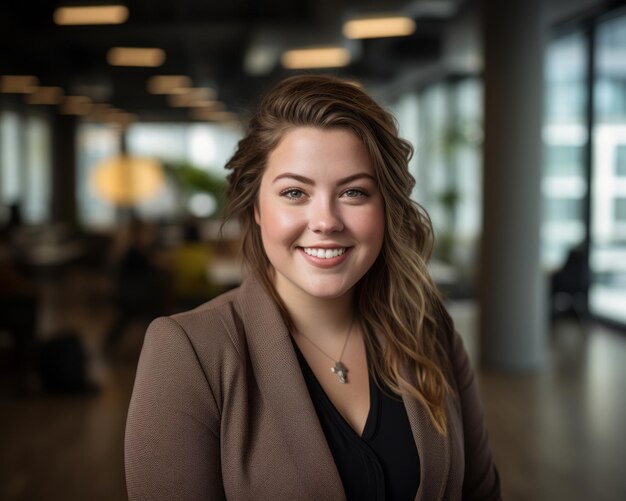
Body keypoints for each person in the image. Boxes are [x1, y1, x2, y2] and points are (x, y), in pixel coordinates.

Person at [125, 75, 501, 500]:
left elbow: (480, 493)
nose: (325, 221)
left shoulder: (429, 328)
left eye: (354, 192)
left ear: (387, 208)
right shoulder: (189, 352)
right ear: (257, 209)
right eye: (295, 192)